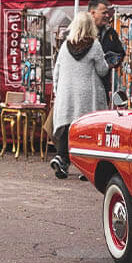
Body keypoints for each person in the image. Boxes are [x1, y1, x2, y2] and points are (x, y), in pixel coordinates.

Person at [49, 11, 110, 179]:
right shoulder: (95, 45)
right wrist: (108, 62)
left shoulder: (65, 46)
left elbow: (57, 71)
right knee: (87, 130)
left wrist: (57, 91)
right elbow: (102, 70)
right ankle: (86, 166)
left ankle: (62, 158)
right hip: (88, 95)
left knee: (67, 128)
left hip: (67, 93)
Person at [88, 0, 125, 93]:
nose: (107, 16)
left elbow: (120, 53)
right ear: (93, 13)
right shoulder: (81, 33)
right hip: (85, 86)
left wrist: (109, 64)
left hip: (103, 85)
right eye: (104, 13)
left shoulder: (111, 33)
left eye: (107, 13)